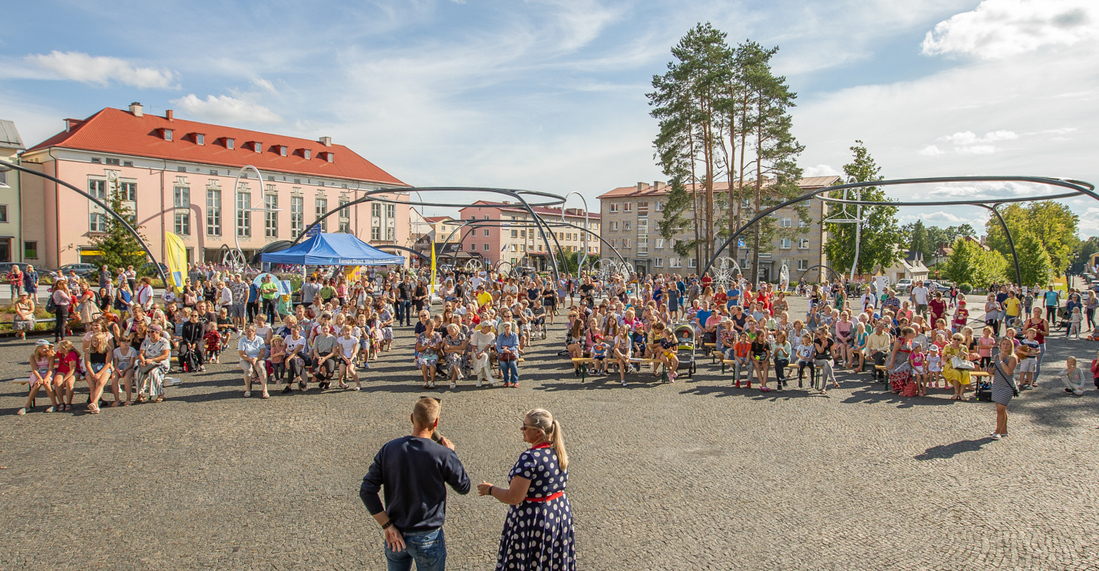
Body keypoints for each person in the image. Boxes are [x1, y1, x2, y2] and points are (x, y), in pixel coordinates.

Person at [360, 397, 471, 571]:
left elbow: (366, 491)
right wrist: (452, 455)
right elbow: (464, 487)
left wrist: (387, 525)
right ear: (436, 422)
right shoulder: (442, 454)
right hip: (428, 537)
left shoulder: (389, 449)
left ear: (412, 418)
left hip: (395, 533)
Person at [477, 408, 576, 571]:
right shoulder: (558, 452)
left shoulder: (530, 458)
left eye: (525, 427)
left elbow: (514, 497)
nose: (521, 430)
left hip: (534, 521)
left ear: (537, 432)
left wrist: (491, 490)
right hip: (558, 515)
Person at [990, 337, 1019, 440]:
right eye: (1004, 344)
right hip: (997, 384)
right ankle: (1004, 430)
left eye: (1008, 344)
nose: (1005, 346)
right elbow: (992, 371)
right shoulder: (996, 356)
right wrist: (991, 370)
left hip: (1007, 386)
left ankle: (997, 431)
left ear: (1011, 346)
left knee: (1000, 410)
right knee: (1001, 409)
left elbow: (1008, 372)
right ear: (1000, 345)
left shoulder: (1012, 358)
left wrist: (1002, 361)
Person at [18, 340, 56, 415]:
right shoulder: (33, 357)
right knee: (37, 384)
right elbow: (34, 369)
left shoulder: (50, 356)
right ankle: (27, 406)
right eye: (43, 348)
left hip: (48, 373)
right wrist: (39, 378)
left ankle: (54, 404)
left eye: (47, 348)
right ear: (38, 348)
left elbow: (50, 368)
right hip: (38, 373)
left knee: (47, 384)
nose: (46, 350)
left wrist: (45, 378)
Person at [136, 325, 171, 403]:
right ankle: (140, 394)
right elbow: (141, 353)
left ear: (158, 332)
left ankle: (160, 393)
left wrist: (152, 360)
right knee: (138, 372)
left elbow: (165, 356)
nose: (150, 333)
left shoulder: (164, 342)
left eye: (152, 332)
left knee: (153, 373)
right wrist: (143, 361)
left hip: (160, 362)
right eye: (149, 332)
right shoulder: (146, 342)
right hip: (148, 362)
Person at [238, 324, 269, 399]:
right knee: (248, 370)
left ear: (254, 332)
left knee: (261, 369)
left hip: (258, 358)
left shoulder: (259, 339)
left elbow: (262, 352)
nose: (249, 333)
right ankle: (248, 389)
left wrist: (256, 358)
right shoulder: (242, 340)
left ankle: (265, 389)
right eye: (247, 331)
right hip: (245, 359)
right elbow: (241, 354)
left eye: (251, 331)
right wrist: (250, 359)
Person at [496, 321, 521, 387]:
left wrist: (508, 349)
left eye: (508, 326)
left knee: (512, 364)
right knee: (503, 364)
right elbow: (498, 346)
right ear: (503, 328)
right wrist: (503, 350)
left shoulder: (514, 335)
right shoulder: (500, 336)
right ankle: (507, 381)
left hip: (512, 354)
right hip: (503, 354)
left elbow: (516, 345)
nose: (507, 328)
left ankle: (515, 381)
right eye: (505, 327)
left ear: (511, 327)